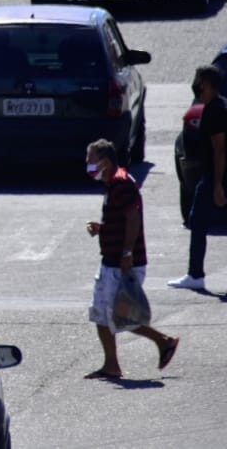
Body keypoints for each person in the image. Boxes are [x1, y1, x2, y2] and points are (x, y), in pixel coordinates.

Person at [84, 139, 179, 379]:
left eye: (91, 159)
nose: (87, 164)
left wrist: (126, 252)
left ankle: (162, 342)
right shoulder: (114, 183)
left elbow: (133, 218)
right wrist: (102, 229)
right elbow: (121, 220)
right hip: (111, 260)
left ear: (105, 162)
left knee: (118, 313)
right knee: (103, 313)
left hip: (122, 262)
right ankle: (112, 364)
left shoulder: (120, 183)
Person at [169, 65, 227, 290]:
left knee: (201, 221)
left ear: (208, 84)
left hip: (219, 177)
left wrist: (218, 185)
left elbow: (219, 150)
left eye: (199, 80)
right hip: (223, 176)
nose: (196, 84)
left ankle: (195, 274)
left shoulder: (214, 111)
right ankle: (195, 273)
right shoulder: (222, 104)